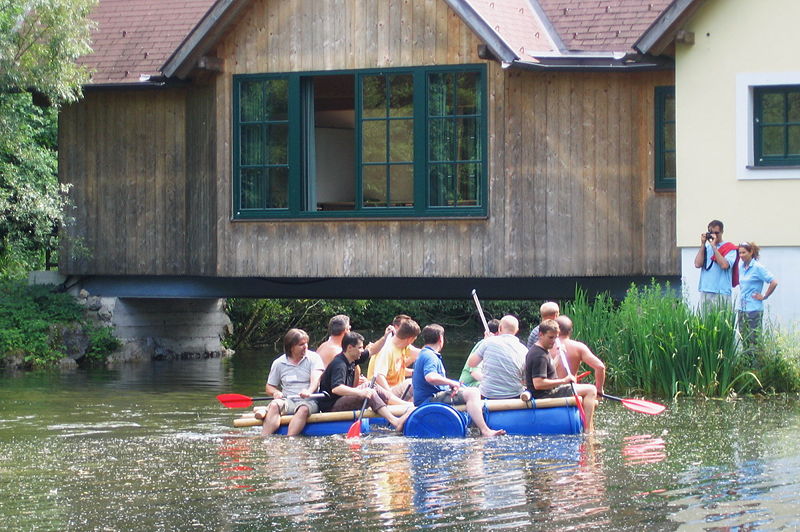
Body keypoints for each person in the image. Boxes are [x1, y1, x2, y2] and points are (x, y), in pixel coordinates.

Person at [412, 324, 505, 437]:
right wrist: (451, 382)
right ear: (441, 339)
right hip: (428, 400)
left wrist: (453, 386)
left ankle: (475, 424)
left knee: (466, 389)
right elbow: (430, 377)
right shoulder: (429, 356)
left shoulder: (424, 354)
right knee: (473, 392)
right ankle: (485, 430)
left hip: (430, 396)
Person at [316, 331, 412, 431]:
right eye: (360, 348)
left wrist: (385, 337)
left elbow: (372, 351)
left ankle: (405, 405)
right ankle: (394, 421)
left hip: (342, 399)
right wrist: (361, 392)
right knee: (368, 391)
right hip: (331, 406)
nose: (362, 350)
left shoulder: (352, 358)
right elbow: (337, 388)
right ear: (349, 348)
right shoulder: (339, 364)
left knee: (370, 385)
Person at [524, 319, 597, 431]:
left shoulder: (542, 349)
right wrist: (564, 380)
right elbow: (538, 383)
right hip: (544, 394)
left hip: (547, 391)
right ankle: (589, 429)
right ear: (541, 335)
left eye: (556, 337)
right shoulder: (539, 355)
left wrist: (558, 355)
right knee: (591, 389)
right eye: (550, 337)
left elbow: (550, 368)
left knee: (586, 389)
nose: (553, 341)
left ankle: (585, 424)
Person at [256, 328, 324, 436]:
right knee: (274, 405)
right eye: (301, 344)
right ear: (291, 347)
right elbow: (269, 387)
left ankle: (289, 439)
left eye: (306, 343)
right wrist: (275, 392)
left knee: (303, 409)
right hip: (288, 400)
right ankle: (264, 438)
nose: (305, 347)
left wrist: (309, 391)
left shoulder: (314, 358)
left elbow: (315, 380)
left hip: (309, 401)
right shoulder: (279, 363)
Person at [465, 315, 527, 399]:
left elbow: (471, 363)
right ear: (517, 331)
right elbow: (525, 380)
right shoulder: (524, 350)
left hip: (488, 394)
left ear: (500, 328)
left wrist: (485, 342)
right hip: (514, 395)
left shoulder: (488, 342)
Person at [736, 242, 778, 356]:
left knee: (755, 339)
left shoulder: (758, 267)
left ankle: (758, 366)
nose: (741, 255)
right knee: (744, 339)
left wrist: (764, 296)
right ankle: (747, 365)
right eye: (739, 253)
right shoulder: (741, 267)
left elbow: (773, 282)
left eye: (744, 252)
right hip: (742, 308)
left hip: (754, 309)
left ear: (751, 252)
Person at [366, 318, 420, 404]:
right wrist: (390, 396)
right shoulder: (387, 350)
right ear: (410, 339)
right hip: (382, 393)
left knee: (420, 379)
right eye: (414, 339)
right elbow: (379, 376)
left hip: (394, 389)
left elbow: (420, 353)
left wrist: (418, 373)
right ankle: (412, 407)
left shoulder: (403, 346)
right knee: (413, 383)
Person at [553, 316, 606, 397]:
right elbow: (600, 367)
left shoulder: (545, 346)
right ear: (571, 331)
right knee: (590, 390)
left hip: (549, 391)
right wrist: (599, 390)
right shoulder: (578, 347)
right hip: (570, 390)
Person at [694, 219, 738, 309]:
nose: (714, 235)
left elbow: (724, 265)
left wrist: (714, 247)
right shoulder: (707, 247)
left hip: (721, 291)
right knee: (706, 321)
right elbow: (697, 264)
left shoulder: (730, 248)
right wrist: (703, 244)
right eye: (711, 232)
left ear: (722, 232)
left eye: (716, 233)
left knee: (722, 320)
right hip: (706, 289)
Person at [458, 318, 500, 386]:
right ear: (498, 334)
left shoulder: (496, 348)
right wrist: (494, 384)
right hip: (467, 385)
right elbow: (474, 373)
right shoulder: (483, 345)